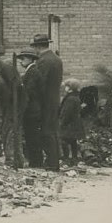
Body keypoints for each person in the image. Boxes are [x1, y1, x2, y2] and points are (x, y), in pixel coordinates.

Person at [21, 41, 64, 170]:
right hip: (53, 100)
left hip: (44, 103)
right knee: (51, 131)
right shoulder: (56, 59)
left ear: (38, 47)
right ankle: (53, 160)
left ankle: (51, 162)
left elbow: (40, 84)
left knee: (46, 132)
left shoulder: (43, 61)